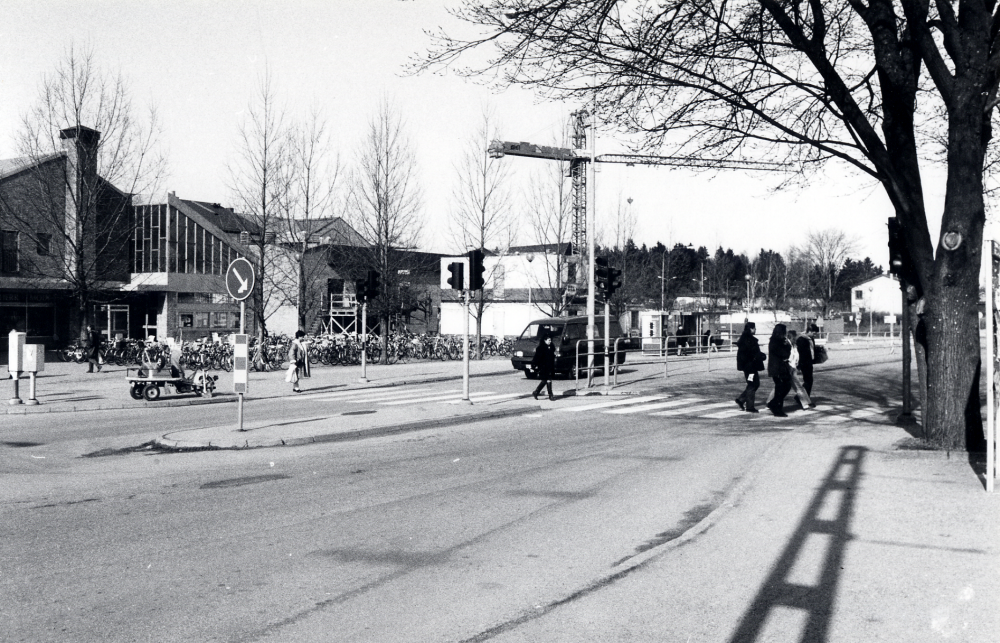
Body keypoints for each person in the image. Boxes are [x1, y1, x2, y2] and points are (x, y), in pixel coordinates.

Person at [734, 322, 766, 413]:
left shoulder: (745, 339)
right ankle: (749, 406)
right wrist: (759, 356)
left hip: (749, 366)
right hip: (750, 366)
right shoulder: (749, 340)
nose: (755, 330)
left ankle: (741, 400)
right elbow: (750, 354)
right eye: (754, 328)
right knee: (752, 384)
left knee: (753, 383)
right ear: (751, 329)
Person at [766, 323, 792, 417]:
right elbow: (784, 353)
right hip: (777, 368)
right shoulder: (776, 341)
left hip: (779, 367)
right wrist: (787, 346)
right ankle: (776, 406)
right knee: (782, 387)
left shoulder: (776, 340)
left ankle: (775, 404)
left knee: (782, 387)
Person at [786, 330, 812, 409]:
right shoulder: (787, 345)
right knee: (797, 386)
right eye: (795, 337)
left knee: (797, 386)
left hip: (793, 367)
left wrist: (797, 364)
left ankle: (806, 403)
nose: (796, 338)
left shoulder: (794, 345)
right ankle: (806, 403)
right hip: (789, 367)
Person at [530, 334, 557, 401]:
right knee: (547, 380)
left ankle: (536, 392)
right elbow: (537, 357)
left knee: (546, 380)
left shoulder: (551, 347)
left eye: (550, 340)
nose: (550, 341)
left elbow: (552, 356)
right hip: (543, 366)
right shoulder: (541, 348)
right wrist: (533, 365)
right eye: (548, 340)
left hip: (550, 366)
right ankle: (549, 395)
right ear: (545, 340)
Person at [797, 323, 819, 402]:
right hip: (804, 363)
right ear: (809, 331)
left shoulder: (811, 338)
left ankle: (802, 397)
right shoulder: (802, 339)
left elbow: (811, 349)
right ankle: (804, 398)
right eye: (814, 333)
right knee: (808, 381)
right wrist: (800, 365)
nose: (815, 335)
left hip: (809, 362)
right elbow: (801, 353)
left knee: (809, 381)